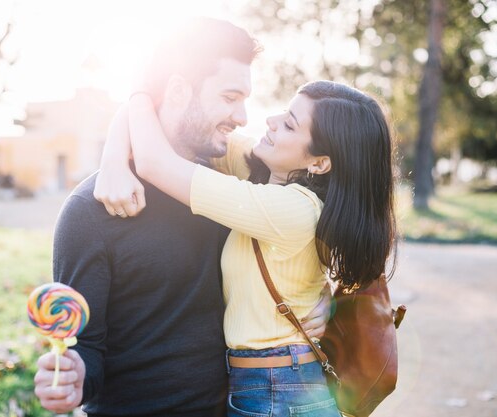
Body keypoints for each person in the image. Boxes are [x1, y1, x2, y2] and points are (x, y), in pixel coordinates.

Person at [33, 18, 330, 417]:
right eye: (229, 97)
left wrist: (326, 298)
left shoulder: (237, 181)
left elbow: (342, 221)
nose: (242, 116)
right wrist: (72, 378)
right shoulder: (90, 210)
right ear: (177, 91)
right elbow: (87, 347)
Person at [94, 80, 397, 416]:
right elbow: (153, 123)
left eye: (289, 124)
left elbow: (154, 160)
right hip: (275, 381)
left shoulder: (292, 210)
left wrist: (137, 96)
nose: (271, 120)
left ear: (320, 162)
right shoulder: (263, 174)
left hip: (277, 390)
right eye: (284, 110)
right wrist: (113, 157)